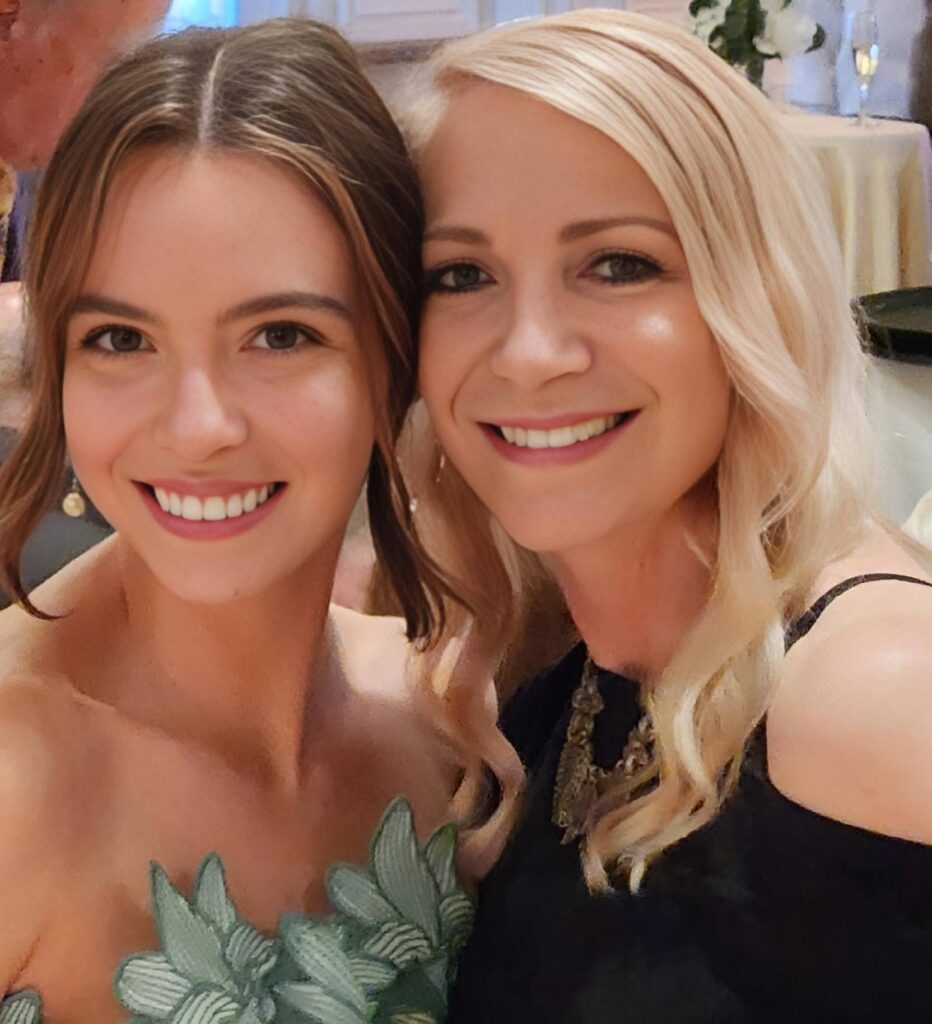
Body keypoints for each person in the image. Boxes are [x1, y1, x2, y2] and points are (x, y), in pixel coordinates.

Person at [401, 10, 932, 1021]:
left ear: (756, 300)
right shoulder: (550, 669)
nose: (529, 353)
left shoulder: (871, 686)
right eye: (460, 275)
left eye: (618, 264)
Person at [0, 19, 493, 1022]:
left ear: (394, 362)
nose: (197, 427)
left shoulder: (451, 728)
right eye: (120, 338)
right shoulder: (16, 778)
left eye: (280, 335)